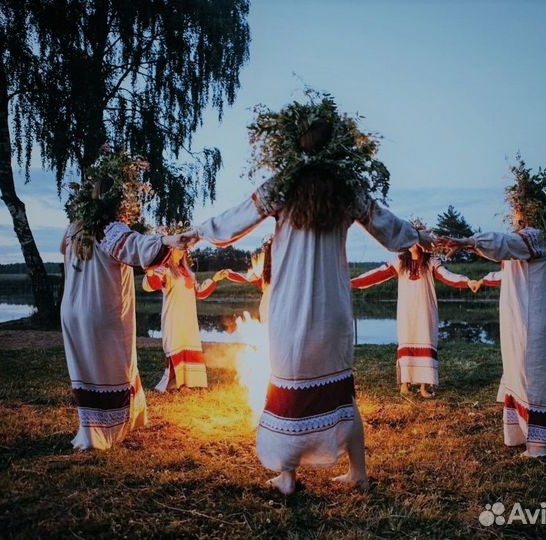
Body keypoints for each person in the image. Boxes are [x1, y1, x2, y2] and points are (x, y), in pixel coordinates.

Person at [180, 97, 433, 494]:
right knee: (340, 392)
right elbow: (388, 226)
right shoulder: (348, 188)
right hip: (330, 307)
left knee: (288, 392)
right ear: (335, 144)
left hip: (291, 307)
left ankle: (288, 475)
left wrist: (197, 232)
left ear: (296, 142)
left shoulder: (282, 186)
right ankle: (359, 473)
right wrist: (419, 238)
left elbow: (235, 221)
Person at [439, 157, 546, 458]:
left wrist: (468, 241)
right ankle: (521, 434)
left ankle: (540, 445)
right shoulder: (527, 242)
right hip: (517, 319)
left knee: (533, 374)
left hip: (531, 322)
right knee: (517, 370)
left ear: (529, 209)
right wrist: (484, 279)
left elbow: (503, 244)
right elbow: (509, 267)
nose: (514, 213)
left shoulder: (536, 237)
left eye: (517, 209)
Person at [60, 149, 183, 450]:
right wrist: (171, 240)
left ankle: (92, 429)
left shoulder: (74, 229)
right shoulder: (112, 229)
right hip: (103, 311)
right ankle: (108, 432)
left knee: (86, 370)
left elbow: (62, 251)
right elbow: (142, 251)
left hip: (73, 311)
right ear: (120, 199)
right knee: (112, 367)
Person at [352, 237, 479, 397]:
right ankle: (405, 384)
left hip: (425, 310)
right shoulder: (399, 262)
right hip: (406, 310)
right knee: (406, 342)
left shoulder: (431, 261)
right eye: (409, 239)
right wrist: (352, 283)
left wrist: (467, 282)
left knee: (426, 340)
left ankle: (424, 387)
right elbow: (377, 275)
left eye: (415, 239)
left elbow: (448, 276)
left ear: (422, 242)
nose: (412, 243)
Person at [142, 248, 223, 391]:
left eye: (182, 249)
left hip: (188, 318)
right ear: (170, 250)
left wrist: (215, 278)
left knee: (188, 345)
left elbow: (199, 292)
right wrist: (150, 271)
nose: (181, 252)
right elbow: (152, 285)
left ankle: (188, 383)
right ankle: (174, 384)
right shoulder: (164, 269)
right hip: (173, 317)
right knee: (175, 345)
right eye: (177, 248)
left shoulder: (189, 273)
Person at [218, 237, 273, 322]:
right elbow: (247, 278)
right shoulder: (263, 271)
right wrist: (229, 274)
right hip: (269, 312)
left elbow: (248, 279)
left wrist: (229, 274)